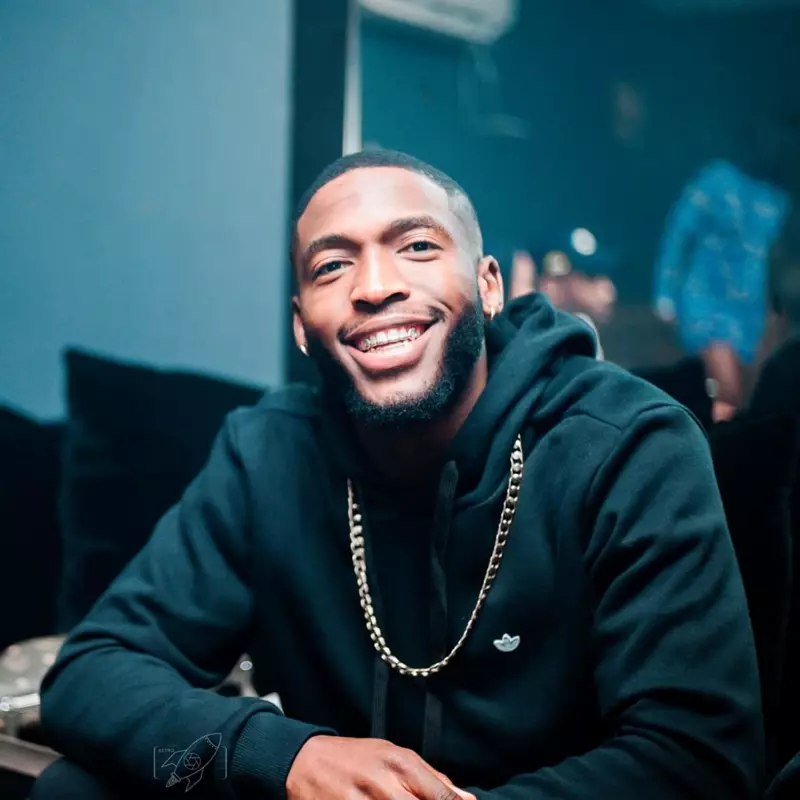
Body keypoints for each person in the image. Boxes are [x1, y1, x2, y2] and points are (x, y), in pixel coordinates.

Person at [34, 149, 762, 799]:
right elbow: (92, 671)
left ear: (488, 287)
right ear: (301, 325)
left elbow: (698, 759)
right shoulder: (267, 454)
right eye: (332, 266)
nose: (375, 286)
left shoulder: (626, 444)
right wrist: (284, 757)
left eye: (416, 246)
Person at [653, 117, 799, 422]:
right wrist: (664, 296)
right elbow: (678, 236)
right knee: (727, 394)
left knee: (751, 400)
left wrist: (778, 309)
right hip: (708, 307)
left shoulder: (778, 197)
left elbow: (775, 257)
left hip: (752, 314)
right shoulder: (714, 181)